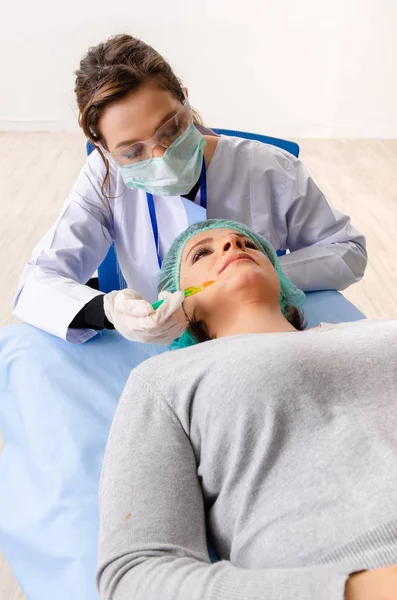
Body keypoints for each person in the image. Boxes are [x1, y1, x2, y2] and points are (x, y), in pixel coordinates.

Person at [96, 219, 397, 600]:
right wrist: (361, 590)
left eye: (248, 243)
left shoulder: (382, 330)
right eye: (202, 253)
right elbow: (136, 575)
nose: (233, 244)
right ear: (178, 306)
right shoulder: (166, 380)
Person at [13, 34, 367, 345]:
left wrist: (257, 273)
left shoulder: (268, 167)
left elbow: (348, 249)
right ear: (107, 151)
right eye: (132, 151)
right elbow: (37, 284)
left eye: (169, 129)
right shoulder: (103, 178)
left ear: (184, 99)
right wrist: (108, 312)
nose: (161, 156)